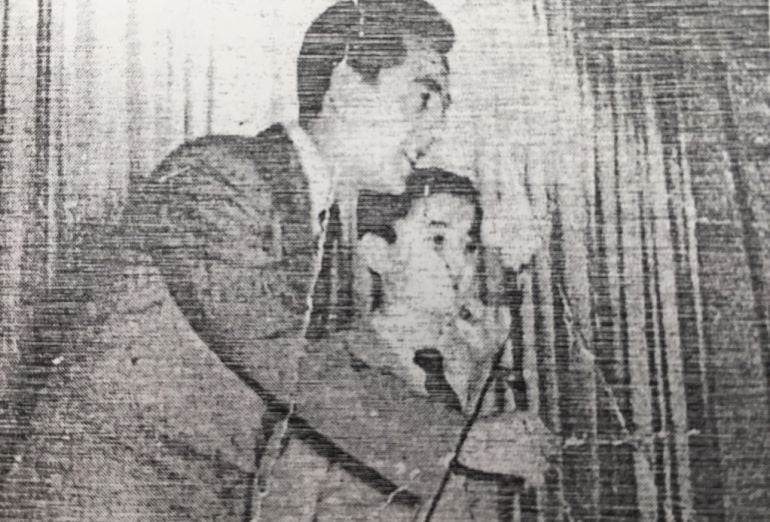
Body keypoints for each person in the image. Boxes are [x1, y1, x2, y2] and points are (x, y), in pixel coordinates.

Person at [1, 1, 541, 518]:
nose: (435, 128)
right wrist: (456, 439)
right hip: (107, 500)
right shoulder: (220, 176)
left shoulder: (319, 225)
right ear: (346, 87)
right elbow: (277, 351)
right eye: (424, 98)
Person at [258, 168, 557, 521]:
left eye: (469, 245)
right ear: (378, 255)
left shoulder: (476, 368)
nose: (459, 264)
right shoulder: (324, 369)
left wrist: (482, 375)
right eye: (437, 240)